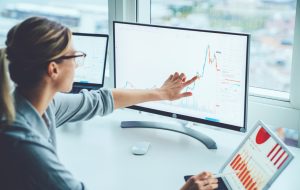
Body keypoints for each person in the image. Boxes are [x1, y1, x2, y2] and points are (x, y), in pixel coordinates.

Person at [0, 17, 218, 190]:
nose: (77, 64)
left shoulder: (38, 105)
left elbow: (100, 100)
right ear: (53, 69)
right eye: (73, 57)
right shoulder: (23, 145)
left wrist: (161, 93)